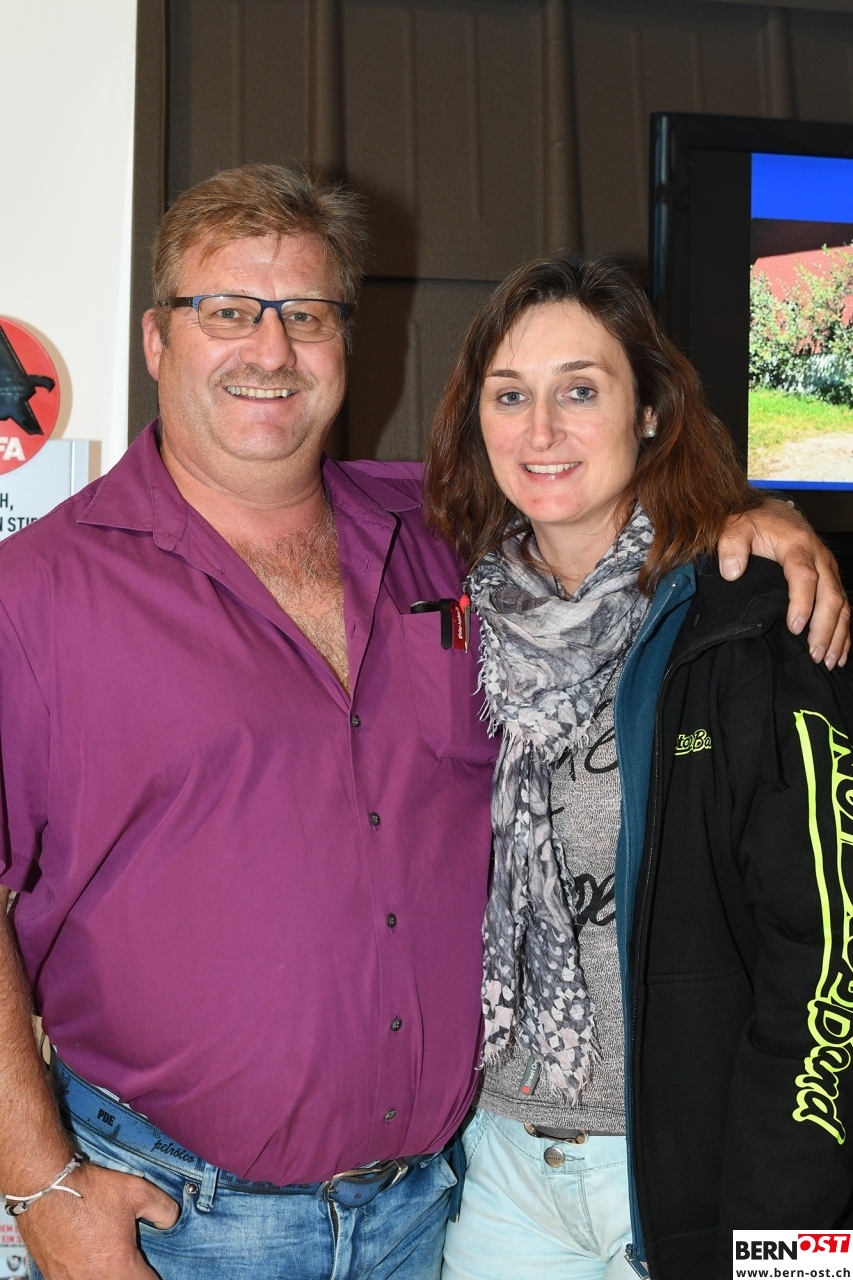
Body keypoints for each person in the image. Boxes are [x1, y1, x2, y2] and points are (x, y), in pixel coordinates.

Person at [0, 168, 844, 1280]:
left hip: (439, 1210)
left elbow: (603, 514)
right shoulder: (36, 592)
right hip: (177, 1223)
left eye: (307, 314)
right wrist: (40, 1185)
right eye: (228, 310)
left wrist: (760, 522)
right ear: (158, 340)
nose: (270, 348)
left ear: (348, 340)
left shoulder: (446, 538)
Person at [424, 253, 853, 1280]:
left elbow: (826, 954)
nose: (540, 430)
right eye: (509, 396)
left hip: (688, 1176)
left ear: (650, 412)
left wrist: (787, 1247)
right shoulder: (456, 618)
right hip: (505, 1167)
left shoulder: (750, 620)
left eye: (580, 391)